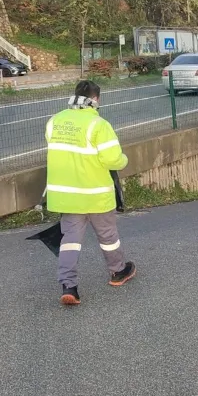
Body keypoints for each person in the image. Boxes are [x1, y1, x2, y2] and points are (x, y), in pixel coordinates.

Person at [44, 80, 136, 305]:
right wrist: (124, 159)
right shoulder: (98, 124)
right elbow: (112, 159)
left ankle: (69, 286)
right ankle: (117, 272)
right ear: (96, 100)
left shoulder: (54, 121)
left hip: (66, 197)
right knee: (107, 237)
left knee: (70, 241)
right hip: (96, 195)